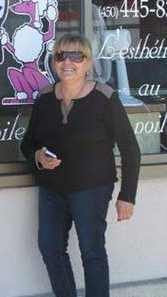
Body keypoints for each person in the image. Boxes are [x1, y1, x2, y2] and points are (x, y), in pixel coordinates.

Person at [21, 33, 141, 297]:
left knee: (92, 252)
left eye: (76, 56)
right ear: (54, 62)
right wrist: (39, 156)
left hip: (92, 188)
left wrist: (127, 196)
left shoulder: (104, 97)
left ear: (88, 63)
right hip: (52, 190)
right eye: (60, 56)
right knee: (50, 249)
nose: (67, 62)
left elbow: (130, 148)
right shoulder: (44, 98)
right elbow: (28, 143)